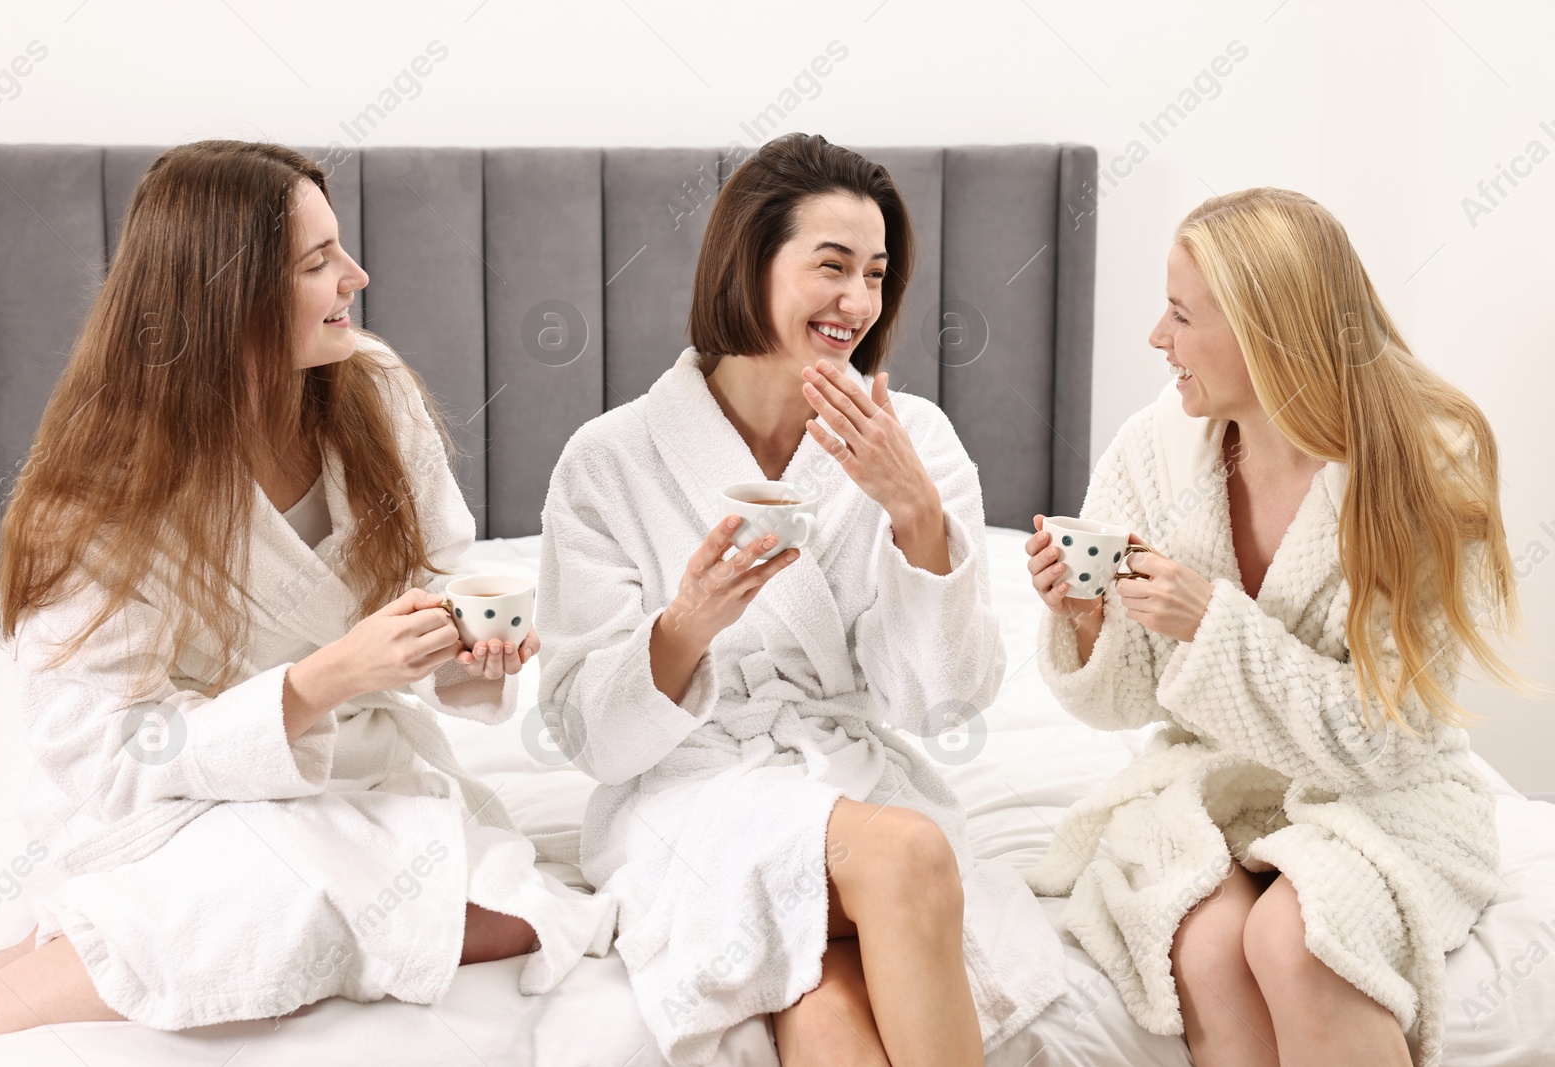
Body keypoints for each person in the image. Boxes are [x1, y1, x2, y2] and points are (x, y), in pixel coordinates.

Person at [0, 141, 614, 1043]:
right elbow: (104, 750)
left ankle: (24, 956)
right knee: (276, 909)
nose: (357, 274)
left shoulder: (371, 394)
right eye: (318, 262)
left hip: (362, 778)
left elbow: (434, 574)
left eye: (338, 249)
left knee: (528, 918)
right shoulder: (105, 489)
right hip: (183, 808)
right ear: (227, 296)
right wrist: (318, 685)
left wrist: (462, 647)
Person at [536, 133, 1066, 1067]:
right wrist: (690, 621)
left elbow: (938, 705)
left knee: (826, 1020)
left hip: (844, 782)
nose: (857, 303)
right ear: (749, 261)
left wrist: (916, 518)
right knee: (907, 855)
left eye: (875, 274)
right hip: (688, 792)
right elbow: (589, 734)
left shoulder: (918, 445)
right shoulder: (610, 460)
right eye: (831, 267)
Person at [1025, 187, 1521, 1067]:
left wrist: (1209, 620)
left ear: (1265, 330)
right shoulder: (1153, 450)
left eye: (1180, 314)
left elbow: (1383, 739)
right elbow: (1121, 704)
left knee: (1299, 936)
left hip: (1388, 794)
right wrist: (1090, 615)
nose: (1155, 339)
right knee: (1210, 942)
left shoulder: (1421, 471)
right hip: (1214, 782)